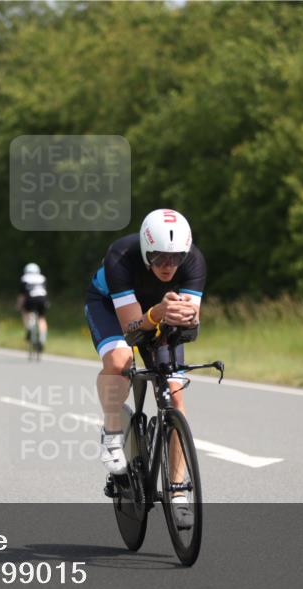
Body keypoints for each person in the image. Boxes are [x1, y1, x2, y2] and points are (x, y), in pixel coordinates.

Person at [84, 209, 205, 527]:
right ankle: (112, 433)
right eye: (159, 257)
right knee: (120, 360)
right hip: (110, 307)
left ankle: (178, 492)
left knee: (175, 394)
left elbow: (191, 329)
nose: (168, 266)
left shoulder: (194, 262)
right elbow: (132, 330)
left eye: (175, 257)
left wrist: (188, 319)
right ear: (144, 249)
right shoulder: (120, 256)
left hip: (157, 312)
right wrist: (158, 313)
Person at [17, 262, 49, 351]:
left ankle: (29, 329)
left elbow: (22, 296)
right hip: (42, 300)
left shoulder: (24, 279)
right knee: (41, 318)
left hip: (30, 299)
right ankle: (42, 339)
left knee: (25, 312)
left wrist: (19, 307)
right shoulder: (42, 278)